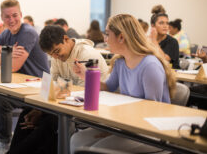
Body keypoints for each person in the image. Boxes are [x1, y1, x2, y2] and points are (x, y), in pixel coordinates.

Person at [70, 14, 176, 154]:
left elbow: (152, 111)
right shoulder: (120, 62)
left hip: (151, 132)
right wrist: (86, 75)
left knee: (97, 150)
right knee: (76, 140)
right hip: (127, 125)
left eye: (108, 34)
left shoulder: (150, 65)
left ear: (121, 37)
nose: (105, 39)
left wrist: (117, 129)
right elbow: (107, 87)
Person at [7, 25, 109, 154]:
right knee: (27, 114)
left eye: (56, 51)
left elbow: (83, 94)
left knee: (51, 122)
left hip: (91, 108)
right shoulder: (57, 56)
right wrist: (38, 109)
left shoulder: (87, 54)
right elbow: (51, 85)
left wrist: (50, 103)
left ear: (66, 39)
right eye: (51, 55)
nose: (55, 57)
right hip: (65, 106)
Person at [0, 0, 49, 154]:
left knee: (1, 102)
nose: (11, 20)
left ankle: (4, 142)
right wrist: (6, 52)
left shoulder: (28, 33)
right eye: (7, 16)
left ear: (21, 15)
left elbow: (14, 66)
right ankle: (6, 135)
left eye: (15, 15)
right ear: (2, 18)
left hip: (37, 87)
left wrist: (1, 53)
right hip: (15, 84)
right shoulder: (5, 34)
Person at [149, 5, 180, 69]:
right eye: (161, 23)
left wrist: (154, 41)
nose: (165, 26)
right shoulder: (146, 41)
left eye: (167, 23)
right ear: (153, 26)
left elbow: (165, 60)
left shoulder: (172, 42)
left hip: (171, 75)